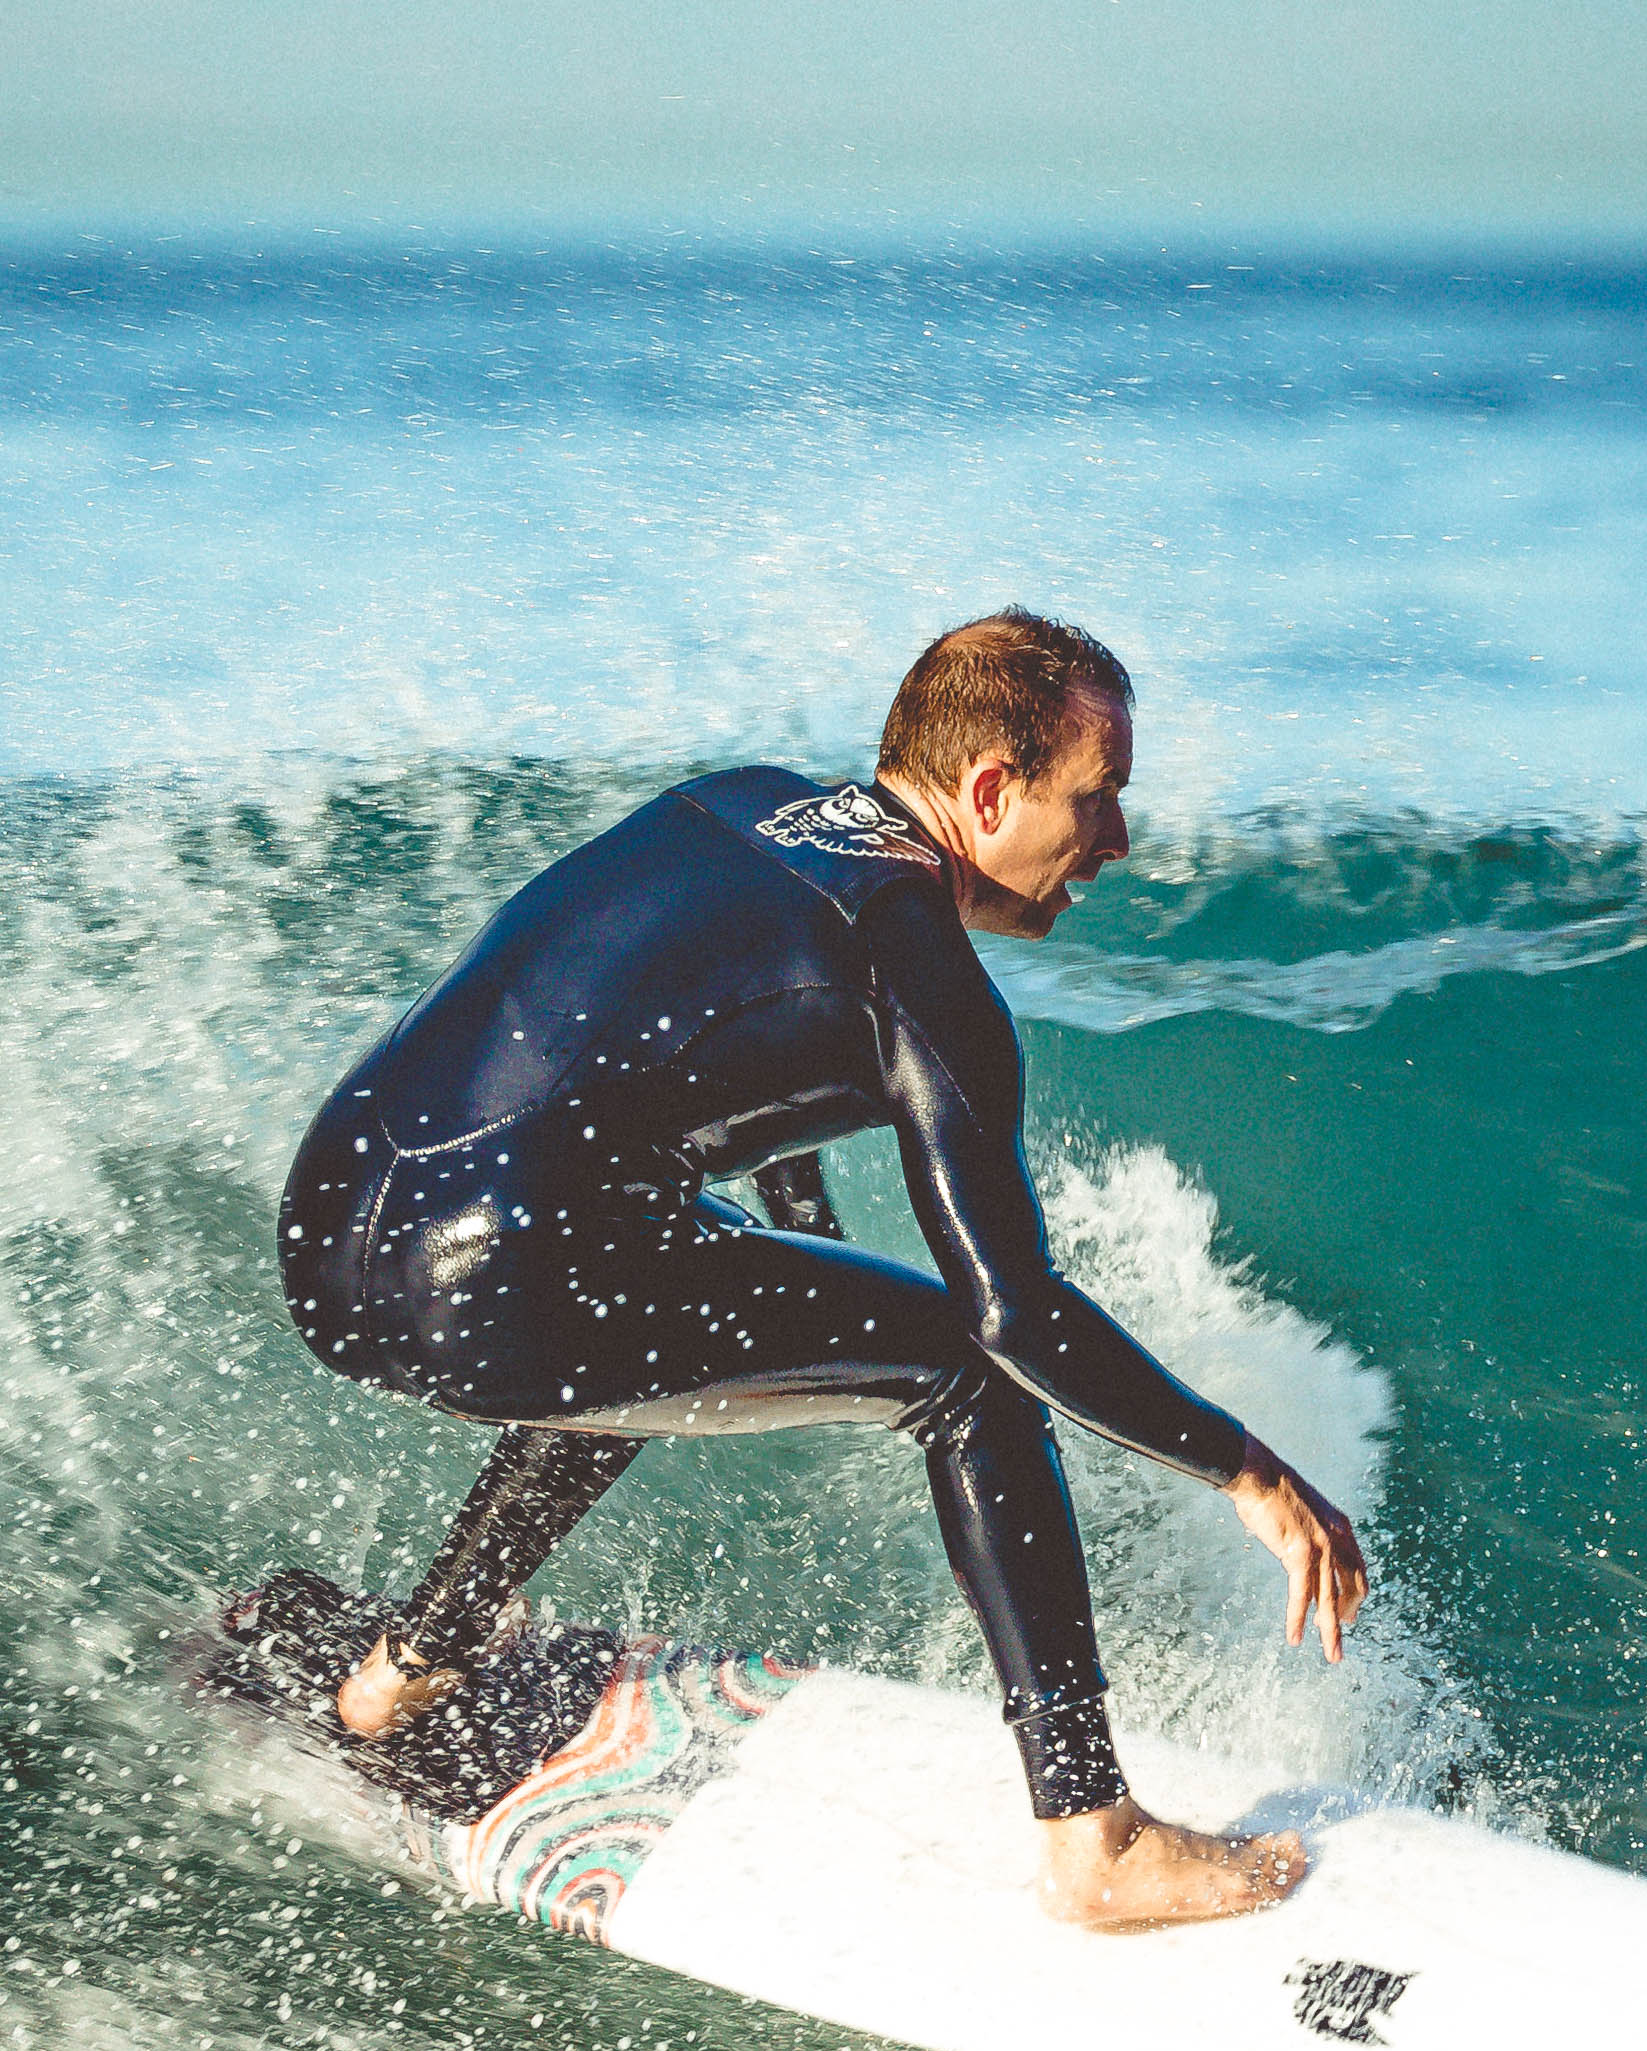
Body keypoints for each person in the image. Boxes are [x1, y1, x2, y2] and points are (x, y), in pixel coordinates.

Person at [279, 609, 1368, 1928]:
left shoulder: (739, 807)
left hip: (337, 1224)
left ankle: (406, 1671)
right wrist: (1243, 1468)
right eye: (1097, 798)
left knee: (656, 1303)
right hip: (486, 1299)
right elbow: (1013, 1313)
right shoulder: (915, 970)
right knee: (969, 1378)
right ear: (987, 790)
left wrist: (801, 1238)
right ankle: (1096, 1838)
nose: (1118, 843)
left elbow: (696, 1057)